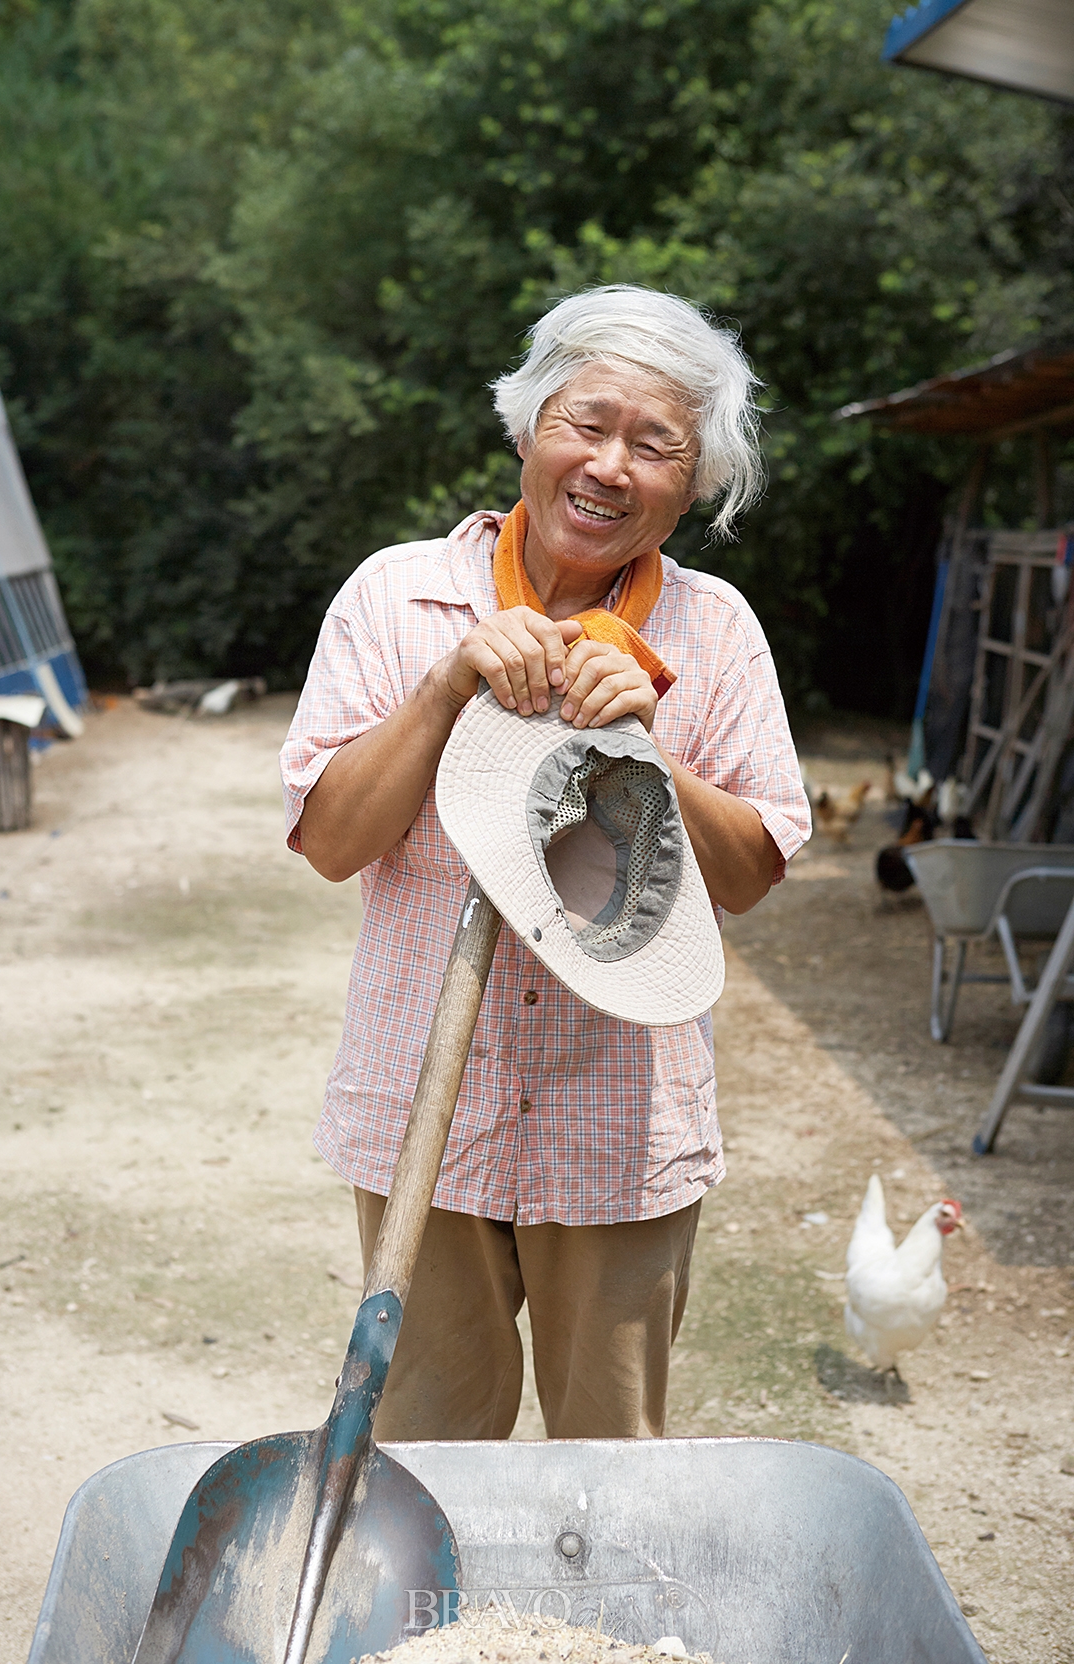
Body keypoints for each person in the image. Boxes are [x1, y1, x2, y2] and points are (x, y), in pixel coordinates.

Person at [280, 284, 810, 1441]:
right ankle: (448, 1634)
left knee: (608, 1480)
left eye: (655, 442)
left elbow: (750, 872)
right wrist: (442, 688)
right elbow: (328, 842)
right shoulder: (398, 595)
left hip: (617, 1127)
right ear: (527, 429)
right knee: (424, 1456)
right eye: (586, 421)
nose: (610, 464)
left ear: (694, 483)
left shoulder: (712, 632)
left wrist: (651, 750)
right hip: (423, 1112)